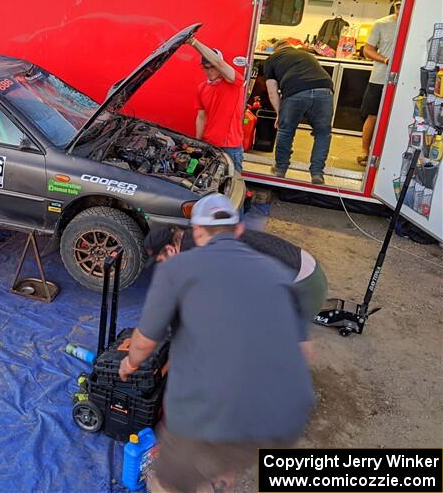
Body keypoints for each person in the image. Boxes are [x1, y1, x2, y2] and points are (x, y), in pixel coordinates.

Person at [120, 194, 314, 493]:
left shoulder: (177, 268)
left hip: (210, 418)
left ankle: (208, 475)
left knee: (164, 483)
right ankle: (220, 476)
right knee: (220, 463)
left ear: (197, 232)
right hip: (284, 419)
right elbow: (304, 352)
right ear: (238, 230)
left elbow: (144, 343)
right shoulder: (275, 274)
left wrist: (129, 363)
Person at [145, 225, 328, 323]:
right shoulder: (198, 235)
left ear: (170, 249)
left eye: (162, 262)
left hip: (304, 285)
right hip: (307, 270)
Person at [264, 40, 334, 185]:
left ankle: (280, 169)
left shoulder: (271, 59)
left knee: (286, 131)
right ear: (290, 47)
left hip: (295, 91)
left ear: (275, 49)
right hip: (324, 89)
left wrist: (279, 113)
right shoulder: (305, 54)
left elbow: (272, 92)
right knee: (322, 133)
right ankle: (317, 174)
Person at [188, 36, 246, 172]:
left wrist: (193, 42)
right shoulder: (202, 88)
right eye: (205, 67)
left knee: (231, 185)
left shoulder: (234, 82)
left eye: (212, 67)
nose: (209, 71)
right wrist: (198, 142)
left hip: (230, 147)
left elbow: (219, 63)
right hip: (209, 144)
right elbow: (201, 117)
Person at [359, 0, 402, 166]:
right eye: (398, 5)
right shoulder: (381, 24)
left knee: (396, 117)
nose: (400, 8)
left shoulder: (415, 24)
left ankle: (388, 154)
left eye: (403, 5)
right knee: (373, 115)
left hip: (403, 81)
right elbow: (367, 50)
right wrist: (385, 60)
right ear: (393, 5)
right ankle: (364, 150)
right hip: (380, 78)